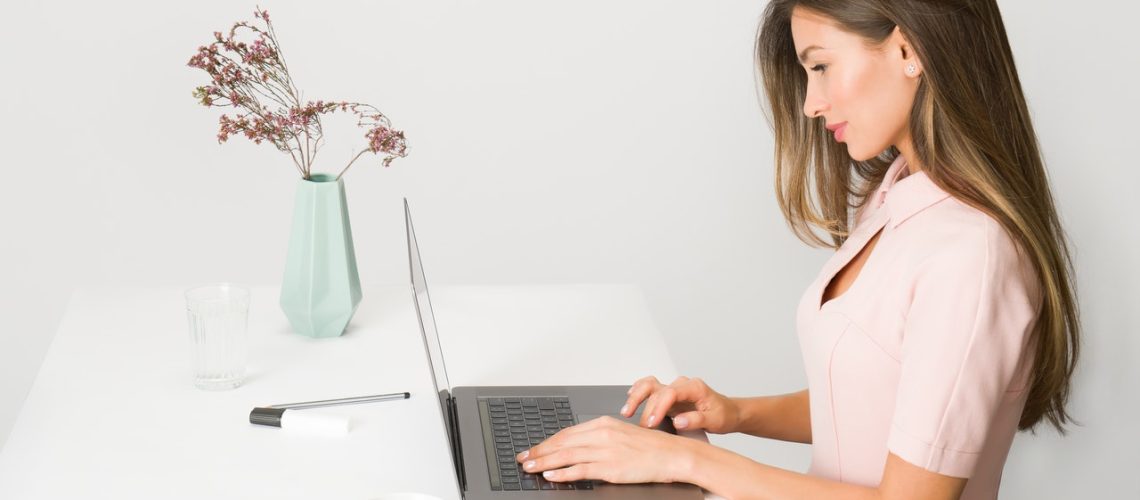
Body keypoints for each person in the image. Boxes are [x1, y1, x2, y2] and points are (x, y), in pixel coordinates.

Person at [515, 0, 1082, 498]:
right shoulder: (895, 200)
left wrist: (688, 459)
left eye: (821, 66)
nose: (811, 102)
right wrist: (735, 413)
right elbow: (874, 400)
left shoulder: (970, 256)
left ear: (908, 49)